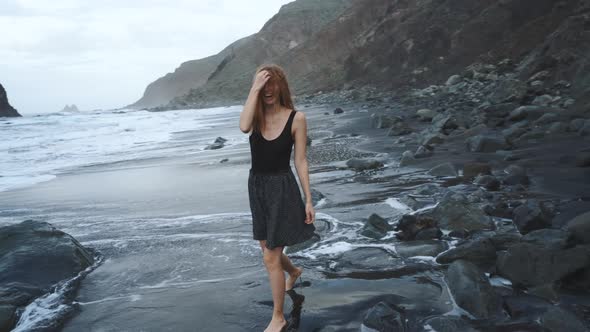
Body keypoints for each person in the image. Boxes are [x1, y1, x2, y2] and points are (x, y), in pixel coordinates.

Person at [239, 64, 316, 332]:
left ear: (282, 86)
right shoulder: (256, 117)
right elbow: (243, 126)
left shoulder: (297, 118)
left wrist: (308, 199)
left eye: (273, 83)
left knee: (270, 258)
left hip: (282, 189)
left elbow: (301, 161)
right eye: (263, 84)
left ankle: (278, 317)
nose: (268, 89)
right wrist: (254, 86)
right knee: (268, 250)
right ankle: (293, 271)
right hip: (257, 187)